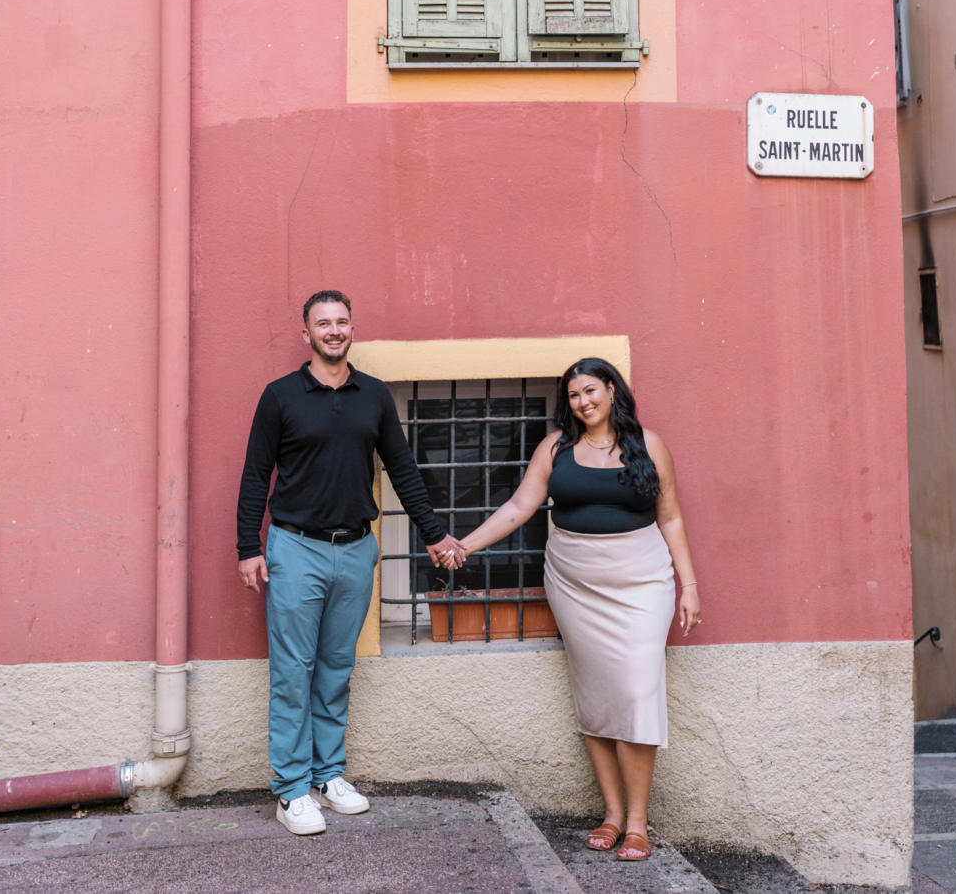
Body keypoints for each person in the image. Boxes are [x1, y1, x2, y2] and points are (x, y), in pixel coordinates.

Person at [446, 357, 700, 862]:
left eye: (590, 391)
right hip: (574, 583)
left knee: (634, 691)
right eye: (574, 396)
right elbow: (520, 507)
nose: (583, 402)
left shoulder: (649, 445)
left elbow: (669, 517)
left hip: (642, 582)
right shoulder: (556, 447)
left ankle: (638, 822)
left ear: (610, 389)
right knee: (594, 694)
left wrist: (688, 585)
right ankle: (611, 814)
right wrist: (466, 545)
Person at [236, 290, 465, 837]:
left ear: (351, 328)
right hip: (295, 548)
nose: (334, 330)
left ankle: (328, 775)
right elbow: (254, 475)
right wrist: (248, 547)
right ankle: (291, 789)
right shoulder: (280, 397)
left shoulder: (375, 396)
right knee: (294, 671)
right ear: (307, 334)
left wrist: (433, 534)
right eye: (323, 323)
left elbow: (403, 469)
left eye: (341, 322)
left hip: (357, 548)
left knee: (336, 668)